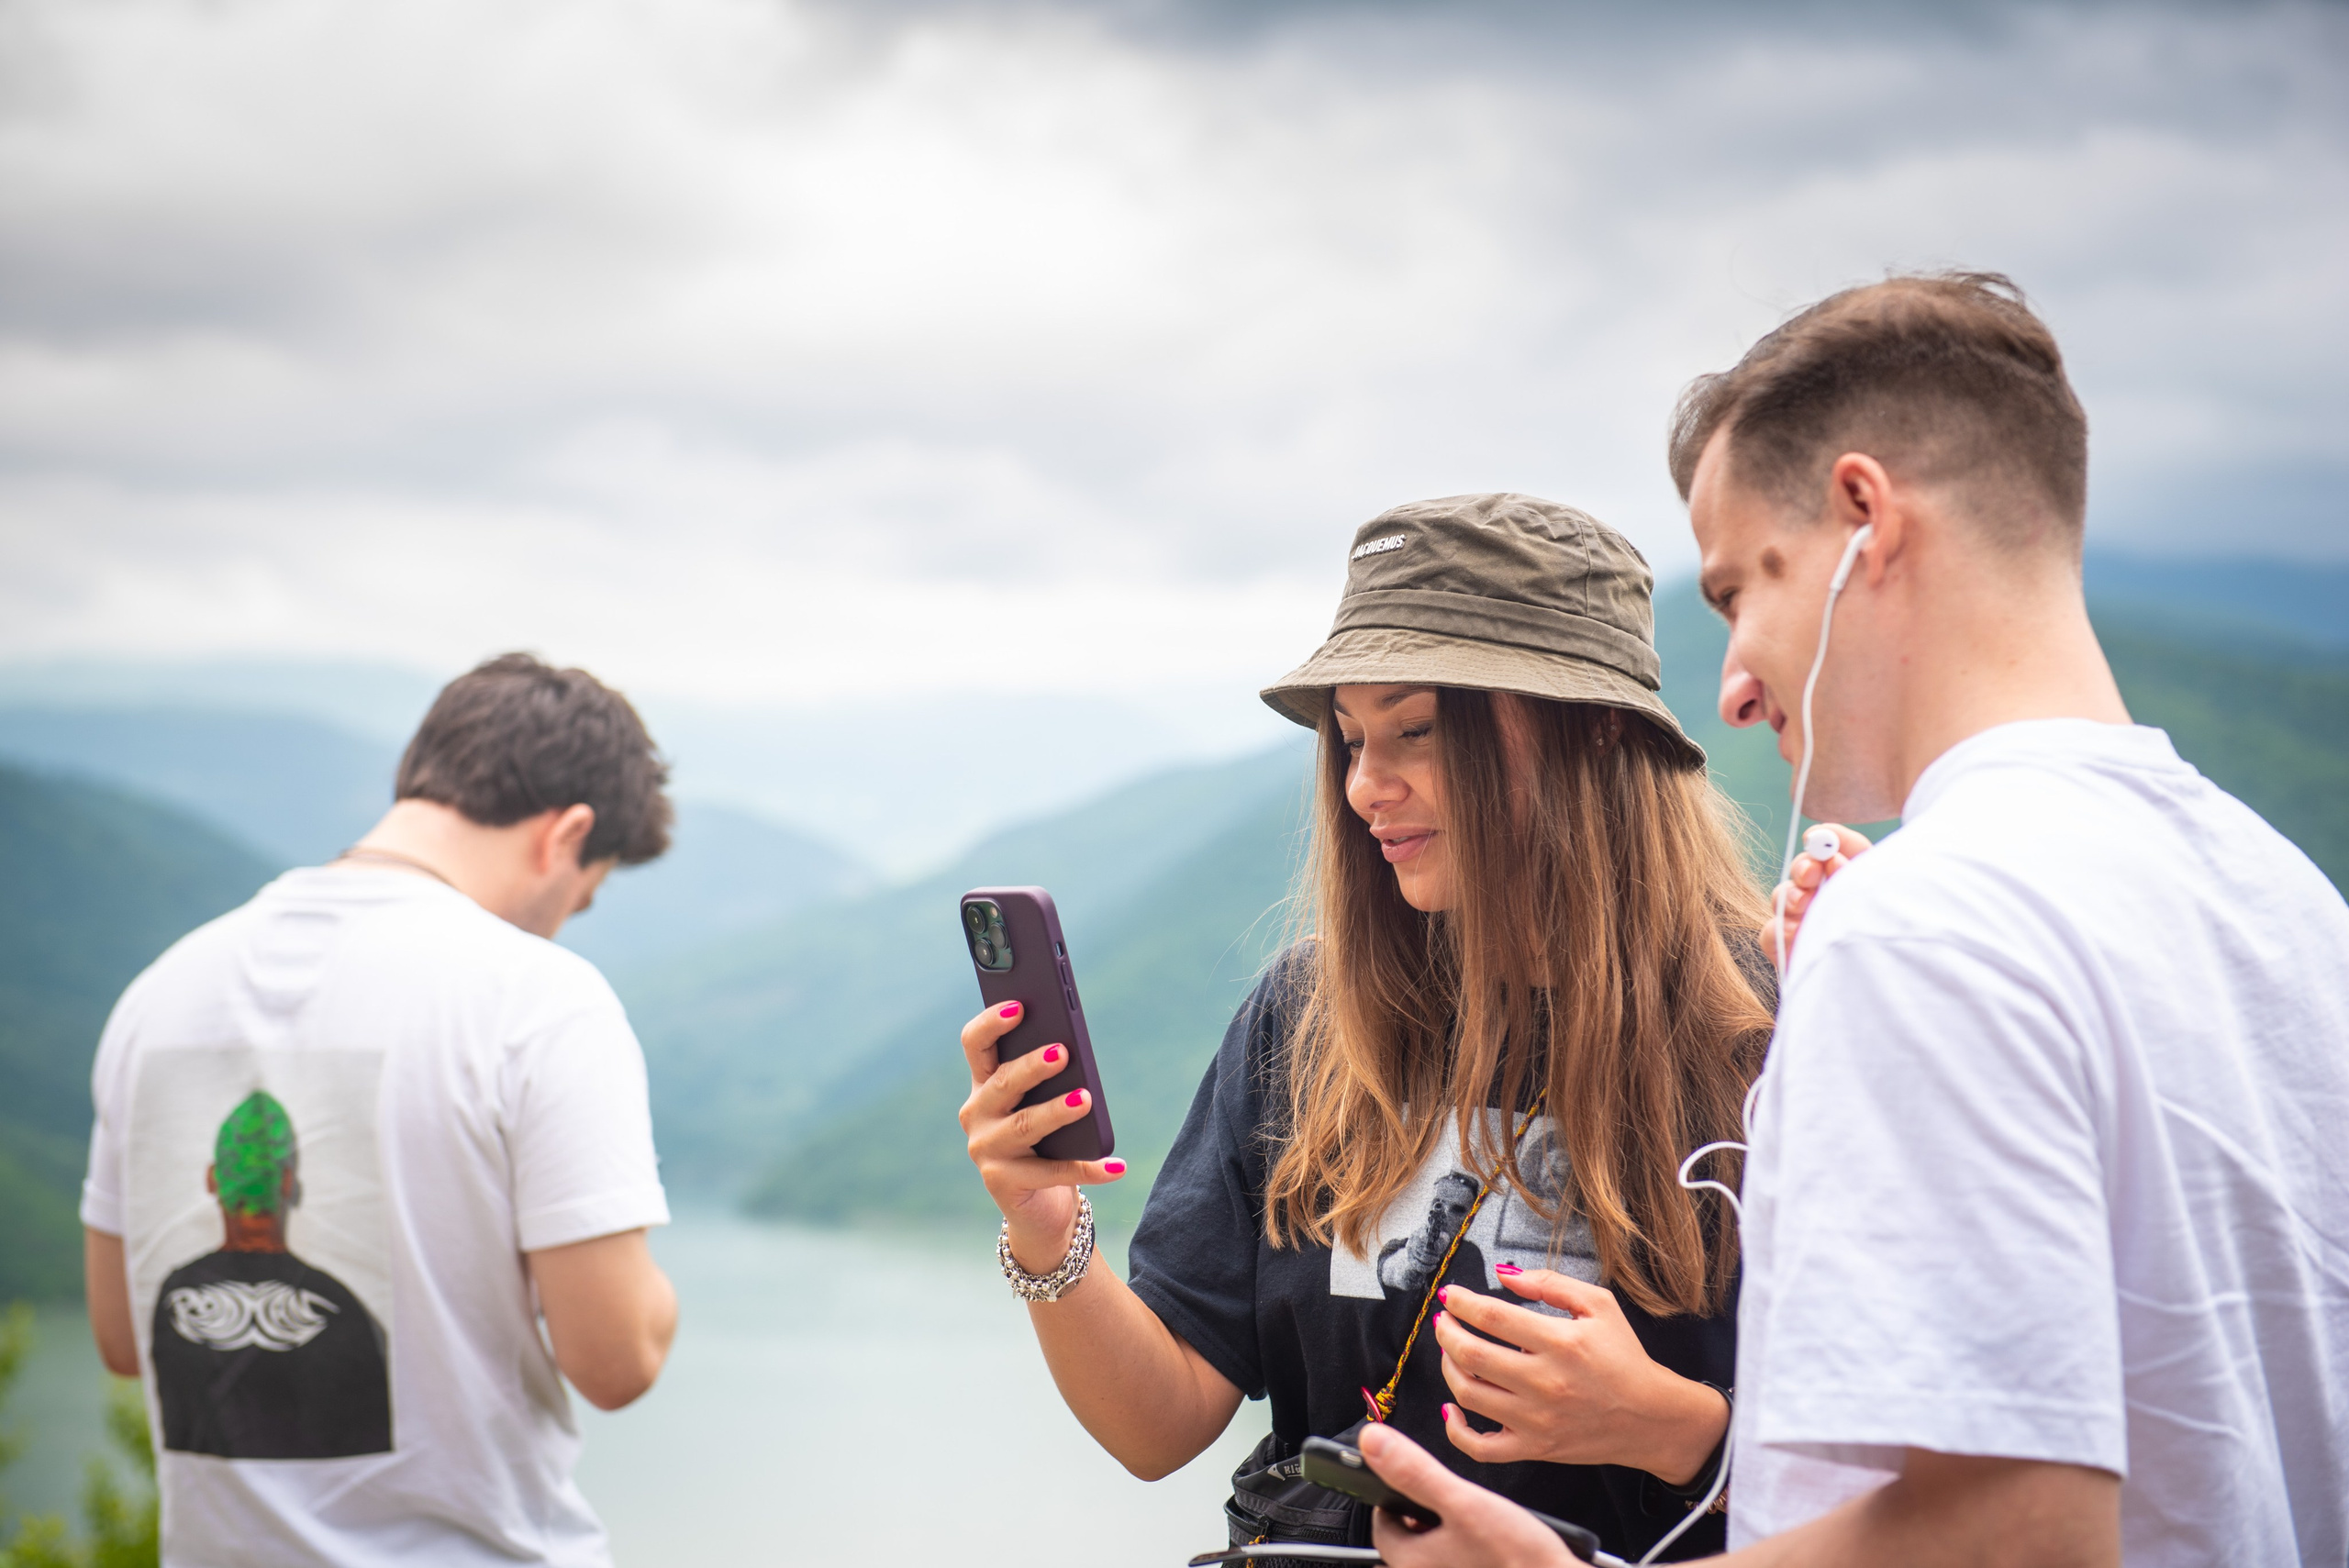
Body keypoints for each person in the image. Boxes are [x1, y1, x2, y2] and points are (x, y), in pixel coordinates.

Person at [1355, 273, 2349, 1567]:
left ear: (1864, 519)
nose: (1732, 688)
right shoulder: (2291, 904)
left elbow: (2017, 1530)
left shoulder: (1926, 929)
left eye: (1736, 593)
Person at [953, 495, 1781, 1561]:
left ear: (1596, 726)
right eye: (1348, 737)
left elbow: (1934, 1485)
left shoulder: (1772, 1026)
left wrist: (1669, 1429)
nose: (1364, 787)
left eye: (1416, 729)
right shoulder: (1302, 1019)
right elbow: (1156, 1425)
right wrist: (1041, 1217)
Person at [82, 652, 682, 1568]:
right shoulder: (538, 996)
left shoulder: (157, 993)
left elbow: (123, 1339)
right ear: (567, 834)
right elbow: (617, 1360)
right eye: (582, 896)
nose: (564, 920)